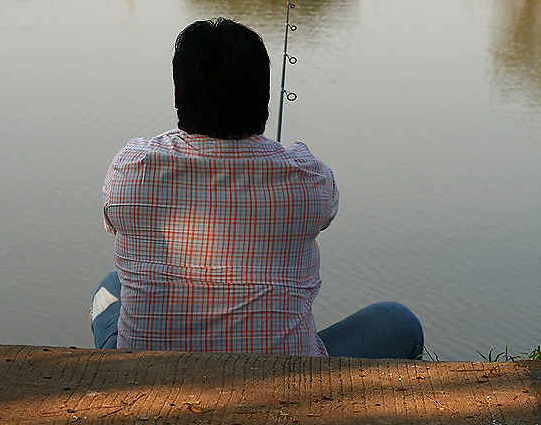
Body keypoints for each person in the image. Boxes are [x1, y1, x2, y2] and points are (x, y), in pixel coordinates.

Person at [91, 18, 423, 358]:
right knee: (400, 322)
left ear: (178, 95)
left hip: (150, 384)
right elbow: (328, 209)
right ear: (264, 97)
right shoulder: (306, 177)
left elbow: (113, 223)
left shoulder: (131, 169)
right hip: (288, 387)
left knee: (110, 286)